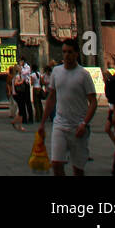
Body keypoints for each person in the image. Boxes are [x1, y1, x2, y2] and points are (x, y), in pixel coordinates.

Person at [38, 39, 97, 178]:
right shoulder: (56, 72)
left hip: (78, 127)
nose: (66, 55)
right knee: (56, 164)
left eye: (70, 52)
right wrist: (42, 123)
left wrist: (84, 123)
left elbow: (93, 102)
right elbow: (51, 98)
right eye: (64, 52)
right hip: (60, 124)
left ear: (76, 54)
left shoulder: (83, 74)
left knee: (78, 170)